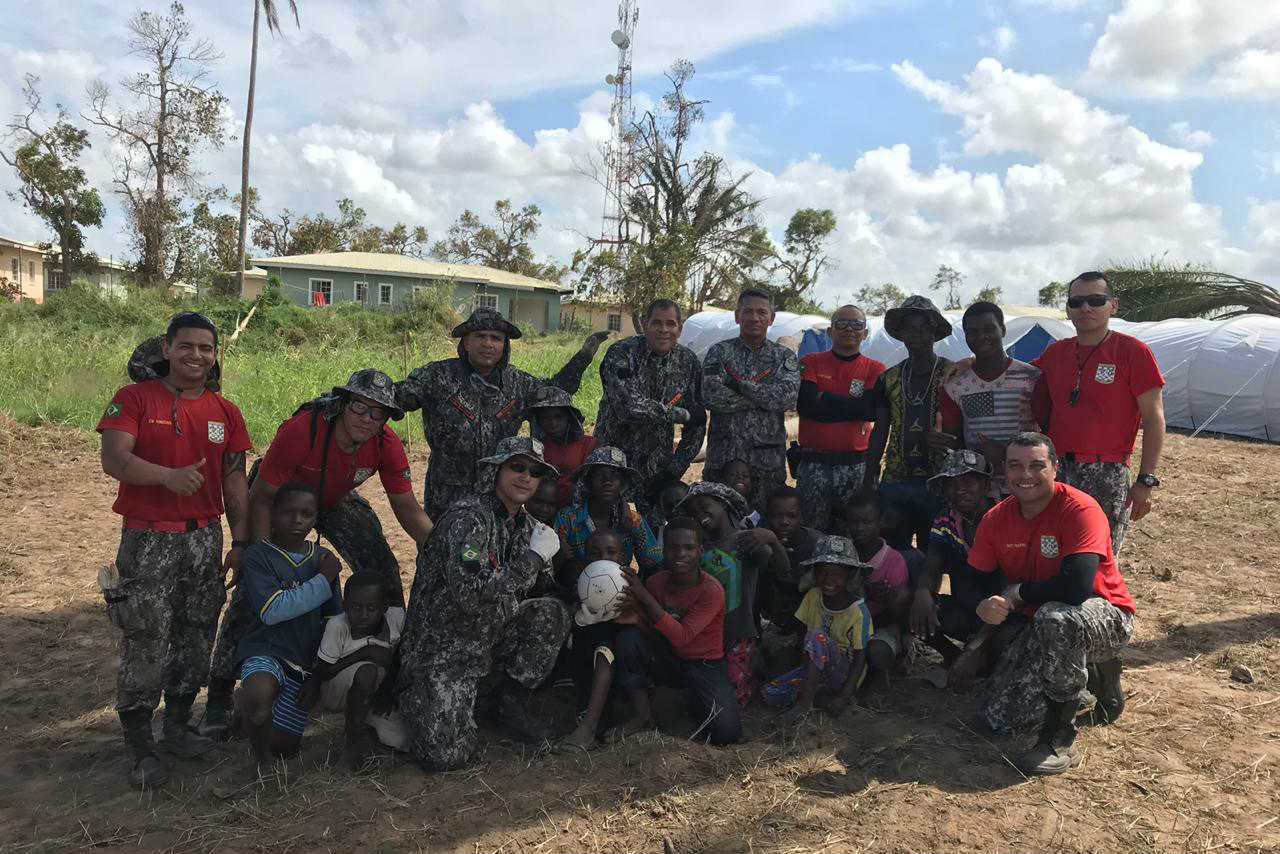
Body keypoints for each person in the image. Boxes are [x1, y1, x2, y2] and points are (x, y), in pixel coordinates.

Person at [203, 369, 431, 737]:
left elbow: (406, 508)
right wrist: (261, 555)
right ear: (342, 404)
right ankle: (219, 692)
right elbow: (261, 497)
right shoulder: (302, 430)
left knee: (383, 574)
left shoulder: (386, 443)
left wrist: (437, 546)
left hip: (334, 499)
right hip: (282, 498)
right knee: (253, 589)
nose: (367, 418)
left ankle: (391, 669)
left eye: (378, 412)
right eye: (359, 406)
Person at [97, 312, 252, 789]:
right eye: (186, 346)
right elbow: (114, 459)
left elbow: (235, 483)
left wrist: (242, 541)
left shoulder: (225, 413)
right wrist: (166, 476)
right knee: (146, 635)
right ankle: (140, 743)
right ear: (166, 349)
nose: (197, 356)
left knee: (196, 630)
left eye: (206, 348)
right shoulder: (134, 399)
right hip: (147, 538)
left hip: (204, 538)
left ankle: (179, 724)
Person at [396, 437, 570, 770]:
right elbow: (471, 597)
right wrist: (533, 558)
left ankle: (506, 701)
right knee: (445, 757)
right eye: (516, 467)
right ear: (496, 469)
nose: (526, 478)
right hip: (445, 646)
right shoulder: (468, 519)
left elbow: (543, 587)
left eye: (534, 472)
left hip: (488, 638)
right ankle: (416, 693)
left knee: (552, 613)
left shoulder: (523, 524)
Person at [969, 433, 1136, 776]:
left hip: (1105, 616)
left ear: (1056, 468)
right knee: (999, 718)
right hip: (1042, 622)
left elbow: (1077, 586)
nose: (1025, 475)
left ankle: (1058, 739)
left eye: (1036, 465)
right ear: (1004, 470)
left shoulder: (1080, 509)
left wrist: (1016, 596)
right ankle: (1094, 681)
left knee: (1056, 616)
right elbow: (977, 579)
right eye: (1015, 465)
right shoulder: (996, 519)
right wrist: (984, 604)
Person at [395, 307, 609, 520]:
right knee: (442, 548)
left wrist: (583, 357)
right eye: (480, 336)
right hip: (447, 492)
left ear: (504, 345)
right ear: (466, 342)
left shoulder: (518, 383)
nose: (488, 344)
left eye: (496, 338)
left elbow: (555, 392)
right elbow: (393, 398)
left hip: (499, 492)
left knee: (496, 550)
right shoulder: (438, 376)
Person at [1032, 272, 1166, 553]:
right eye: (1076, 302)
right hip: (1058, 471)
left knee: (1099, 559)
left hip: (1107, 472)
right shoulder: (1056, 354)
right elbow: (1011, 372)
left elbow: (1154, 419)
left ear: (1113, 305)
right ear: (1068, 310)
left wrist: (1146, 481)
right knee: (1053, 553)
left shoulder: (1132, 353)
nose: (1085, 308)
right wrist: (968, 363)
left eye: (1095, 300)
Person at [233, 482, 343, 765]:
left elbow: (334, 621)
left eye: (306, 514)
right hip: (266, 649)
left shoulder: (322, 558)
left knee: (286, 748)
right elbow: (273, 610)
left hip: (304, 663)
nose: (297, 520)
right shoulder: (259, 556)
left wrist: (317, 677)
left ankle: (244, 713)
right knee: (259, 703)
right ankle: (260, 761)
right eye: (288, 512)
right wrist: (323, 580)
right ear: (273, 513)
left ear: (315, 518)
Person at [607, 518, 742, 746]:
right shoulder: (657, 582)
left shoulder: (711, 590)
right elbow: (653, 627)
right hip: (668, 658)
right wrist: (636, 615)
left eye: (689, 548)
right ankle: (642, 715)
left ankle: (684, 700)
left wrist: (644, 596)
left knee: (726, 734)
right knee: (628, 638)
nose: (681, 554)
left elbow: (682, 636)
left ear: (700, 551)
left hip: (704, 664)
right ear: (664, 551)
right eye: (673, 548)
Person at [676, 481, 789, 709]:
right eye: (694, 512)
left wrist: (772, 539)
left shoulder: (746, 540)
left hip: (740, 633)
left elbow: (782, 568)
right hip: (706, 636)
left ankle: (756, 668)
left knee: (737, 703)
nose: (700, 515)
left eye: (705, 506)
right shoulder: (697, 548)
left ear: (724, 505)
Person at [595, 298, 707, 528]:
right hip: (614, 468)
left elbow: (697, 424)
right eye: (656, 323)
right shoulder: (621, 353)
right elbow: (627, 406)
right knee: (612, 540)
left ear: (680, 328)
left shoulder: (688, 362)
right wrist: (681, 414)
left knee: (656, 544)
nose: (663, 330)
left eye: (670, 324)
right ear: (644, 323)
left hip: (657, 471)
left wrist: (674, 469)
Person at [866, 296, 955, 553]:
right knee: (894, 551)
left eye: (924, 327)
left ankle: (927, 595)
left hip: (938, 482)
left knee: (933, 554)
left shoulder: (952, 374)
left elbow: (963, 426)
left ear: (934, 332)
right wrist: (869, 479)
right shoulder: (889, 378)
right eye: (910, 328)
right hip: (895, 480)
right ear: (901, 333)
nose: (917, 334)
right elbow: (880, 431)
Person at [908, 450, 1002, 689]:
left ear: (986, 484)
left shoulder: (1006, 517)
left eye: (969, 480)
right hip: (968, 610)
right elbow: (931, 565)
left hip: (1004, 616)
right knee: (908, 603)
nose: (960, 489)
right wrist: (922, 593)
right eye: (952, 483)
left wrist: (975, 648)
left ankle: (978, 656)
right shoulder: (945, 520)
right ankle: (953, 657)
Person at [703, 288, 802, 512]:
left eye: (761, 312)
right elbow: (710, 395)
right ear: (737, 316)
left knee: (766, 524)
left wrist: (741, 387)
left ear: (771, 318)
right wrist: (762, 397)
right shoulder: (720, 352)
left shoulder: (783, 357)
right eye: (748, 311)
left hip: (766, 462)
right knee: (719, 522)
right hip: (723, 458)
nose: (754, 318)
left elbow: (787, 397)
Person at [300, 572, 406, 770]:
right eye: (356, 607)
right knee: (367, 671)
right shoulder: (337, 626)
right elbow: (323, 671)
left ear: (384, 608)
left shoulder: (397, 618)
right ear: (345, 605)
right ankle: (352, 745)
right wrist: (365, 653)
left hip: (377, 694)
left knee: (403, 741)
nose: (363, 614)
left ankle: (367, 735)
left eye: (371, 608)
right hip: (337, 691)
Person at [795, 305, 886, 531]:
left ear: (865, 334)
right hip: (814, 465)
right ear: (830, 331)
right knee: (812, 531)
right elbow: (806, 406)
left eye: (856, 325)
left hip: (856, 466)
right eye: (841, 324)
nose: (849, 329)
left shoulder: (875, 369)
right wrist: (852, 406)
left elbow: (868, 411)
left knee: (854, 532)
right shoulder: (811, 362)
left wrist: (824, 397)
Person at [763, 535, 872, 723]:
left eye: (837, 574)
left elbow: (860, 659)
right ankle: (818, 696)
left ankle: (805, 705)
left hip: (841, 674)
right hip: (815, 669)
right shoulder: (813, 596)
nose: (828, 580)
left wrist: (844, 695)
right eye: (822, 573)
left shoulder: (858, 611)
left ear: (850, 575)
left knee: (817, 636)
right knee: (769, 693)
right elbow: (800, 634)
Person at [940, 302, 1044, 494]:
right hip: (979, 493)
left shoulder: (1032, 378)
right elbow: (955, 442)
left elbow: (1048, 436)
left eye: (989, 329)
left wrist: (1007, 455)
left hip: (1026, 487)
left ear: (1003, 330)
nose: (981, 337)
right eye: (972, 332)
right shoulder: (954, 386)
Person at [560, 528, 636, 750]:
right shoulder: (583, 586)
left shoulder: (633, 587)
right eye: (595, 554)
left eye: (611, 552)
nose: (603, 559)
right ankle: (589, 718)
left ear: (622, 558)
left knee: (605, 649)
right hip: (588, 665)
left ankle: (588, 728)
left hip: (619, 664)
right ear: (585, 560)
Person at [552, 446, 663, 583]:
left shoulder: (633, 520)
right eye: (599, 475)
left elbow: (655, 566)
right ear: (588, 482)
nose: (607, 482)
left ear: (622, 484)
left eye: (614, 476)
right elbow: (552, 567)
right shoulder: (567, 518)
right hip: (576, 590)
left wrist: (634, 533)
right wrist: (560, 557)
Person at [843, 492, 911, 683]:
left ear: (881, 521)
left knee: (877, 652)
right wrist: (864, 590)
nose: (860, 528)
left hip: (879, 626)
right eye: (854, 522)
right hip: (843, 623)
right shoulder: (842, 555)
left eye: (867, 522)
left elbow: (897, 611)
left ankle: (884, 668)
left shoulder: (894, 561)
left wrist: (885, 599)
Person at [761, 486, 821, 631]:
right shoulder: (762, 542)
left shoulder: (818, 544)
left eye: (792, 516)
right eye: (777, 515)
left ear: (802, 517)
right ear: (768, 516)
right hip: (771, 609)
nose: (784, 522)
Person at [526, 386, 596, 510]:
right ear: (539, 421)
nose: (553, 423)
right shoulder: (536, 449)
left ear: (569, 418)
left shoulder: (589, 445)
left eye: (558, 417)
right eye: (546, 418)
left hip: (579, 513)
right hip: (544, 511)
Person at [717, 458, 761, 528]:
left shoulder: (757, 512)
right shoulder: (718, 508)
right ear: (722, 481)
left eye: (745, 475)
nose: (740, 477)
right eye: (733, 475)